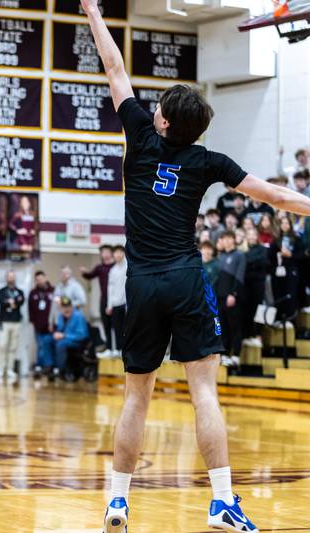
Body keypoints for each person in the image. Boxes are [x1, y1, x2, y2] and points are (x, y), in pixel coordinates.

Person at [82, 0, 310, 530]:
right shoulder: (209, 161)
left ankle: (118, 500)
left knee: (136, 396)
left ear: (161, 119)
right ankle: (222, 501)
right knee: (203, 389)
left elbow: (114, 66)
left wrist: (93, 9)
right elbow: (274, 194)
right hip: (186, 278)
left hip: (140, 283)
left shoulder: (139, 135)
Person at [216, 231, 246, 362]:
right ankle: (225, 354)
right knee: (222, 327)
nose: (227, 241)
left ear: (234, 240)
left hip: (232, 297)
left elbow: (240, 276)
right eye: (224, 238)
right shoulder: (220, 257)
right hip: (219, 297)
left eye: (229, 238)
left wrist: (233, 294)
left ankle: (236, 355)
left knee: (235, 326)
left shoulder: (239, 255)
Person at [44, 296, 89, 381]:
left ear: (71, 307)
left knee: (60, 344)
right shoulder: (61, 316)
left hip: (76, 342)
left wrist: (64, 335)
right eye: (64, 307)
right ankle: (49, 366)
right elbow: (60, 329)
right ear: (61, 308)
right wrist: (56, 334)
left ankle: (60, 369)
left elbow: (82, 335)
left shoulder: (78, 316)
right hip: (64, 339)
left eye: (68, 307)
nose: (66, 309)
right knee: (47, 339)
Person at [269, 215, 305, 322]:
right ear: (280, 225)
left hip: (292, 270)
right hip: (278, 271)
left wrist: (291, 255)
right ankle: (280, 319)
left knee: (291, 295)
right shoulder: (276, 240)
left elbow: (303, 255)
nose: (285, 225)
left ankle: (291, 322)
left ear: (290, 225)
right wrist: (278, 255)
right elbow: (269, 256)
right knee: (279, 295)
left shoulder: (297, 239)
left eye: (287, 223)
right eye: (282, 223)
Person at [81, 245, 114, 349]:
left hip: (117, 300)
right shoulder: (100, 268)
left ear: (111, 253)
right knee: (106, 324)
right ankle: (109, 347)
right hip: (104, 299)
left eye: (106, 251)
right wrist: (84, 273)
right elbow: (90, 276)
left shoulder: (116, 267)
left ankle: (118, 347)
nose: (104, 254)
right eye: (102, 252)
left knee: (117, 325)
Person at [242, 228, 269, 346]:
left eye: (254, 234)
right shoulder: (243, 250)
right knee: (247, 309)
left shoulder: (263, 249)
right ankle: (247, 334)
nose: (252, 236)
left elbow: (264, 262)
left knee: (258, 309)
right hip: (246, 283)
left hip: (258, 283)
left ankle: (258, 335)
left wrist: (249, 259)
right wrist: (252, 261)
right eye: (250, 234)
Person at [0, 270, 25, 380]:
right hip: (4, 321)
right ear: (6, 278)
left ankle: (10, 369)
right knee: (2, 345)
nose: (11, 279)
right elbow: (1, 302)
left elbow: (21, 301)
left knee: (13, 346)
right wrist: (10, 302)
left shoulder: (20, 291)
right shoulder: (1, 291)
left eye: (13, 276)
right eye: (9, 276)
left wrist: (11, 302)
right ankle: (0, 369)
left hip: (16, 322)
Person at [28, 271, 55, 378]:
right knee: (40, 346)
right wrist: (33, 321)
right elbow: (30, 308)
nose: (39, 281)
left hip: (50, 325)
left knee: (48, 345)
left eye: (41, 279)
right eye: (37, 280)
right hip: (38, 325)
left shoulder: (53, 291)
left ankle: (49, 366)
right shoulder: (33, 293)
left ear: (45, 278)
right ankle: (39, 366)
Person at [106, 245, 127, 356]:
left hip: (126, 304)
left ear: (123, 253)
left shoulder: (128, 267)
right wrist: (109, 305)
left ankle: (126, 349)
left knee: (126, 328)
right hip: (115, 303)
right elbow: (110, 288)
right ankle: (118, 349)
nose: (118, 254)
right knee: (117, 328)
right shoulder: (112, 270)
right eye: (116, 252)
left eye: (120, 252)